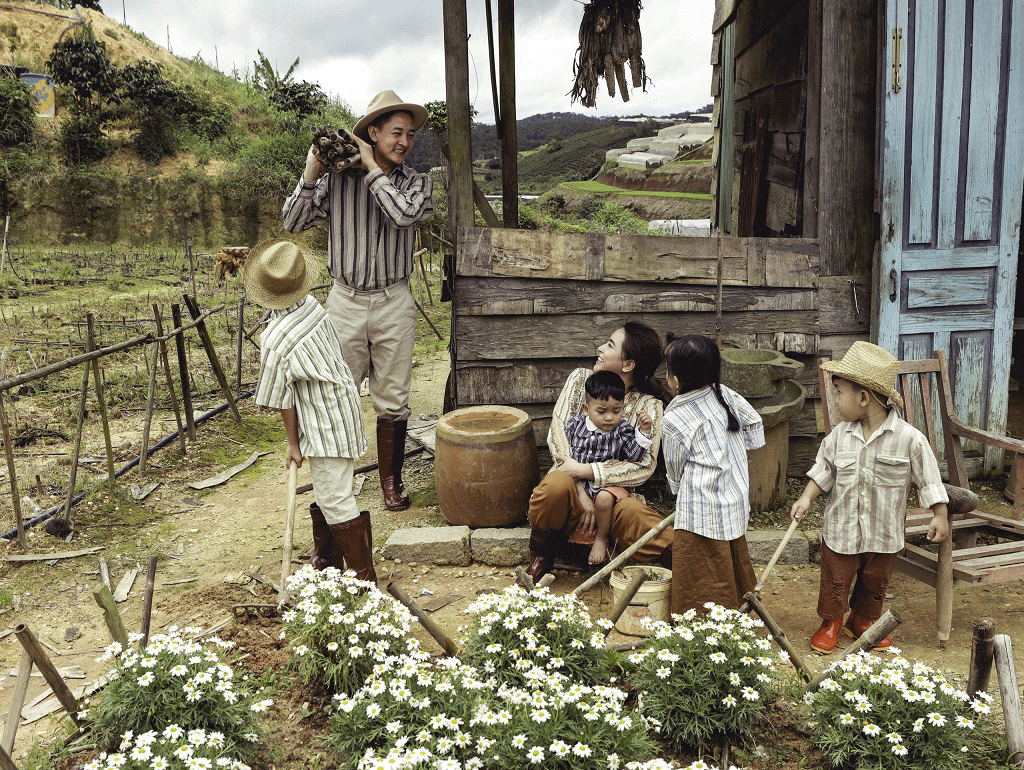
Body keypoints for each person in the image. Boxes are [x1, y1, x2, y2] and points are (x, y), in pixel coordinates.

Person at [282, 89, 433, 512]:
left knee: (394, 396)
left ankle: (390, 482)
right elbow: (293, 221)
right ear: (373, 131)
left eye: (409, 135)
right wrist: (312, 171)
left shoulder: (418, 183)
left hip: (394, 299)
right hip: (345, 300)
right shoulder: (336, 180)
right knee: (338, 394)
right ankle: (339, 486)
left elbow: (402, 215)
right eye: (396, 133)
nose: (404, 141)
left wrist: (369, 165)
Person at [791, 341, 949, 653]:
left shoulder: (909, 440)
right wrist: (807, 497)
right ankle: (832, 621)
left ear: (863, 397)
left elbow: (928, 478)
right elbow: (823, 469)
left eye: (839, 392)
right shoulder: (840, 436)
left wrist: (939, 513)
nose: (836, 401)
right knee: (836, 578)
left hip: (883, 532)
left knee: (875, 581)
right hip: (842, 529)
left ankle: (861, 620)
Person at [246, 239, 375, 583]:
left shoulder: (275, 339)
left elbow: (283, 398)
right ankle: (329, 561)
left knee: (335, 497)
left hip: (325, 421)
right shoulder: (311, 306)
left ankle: (364, 579)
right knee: (328, 488)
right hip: (342, 404)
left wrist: (292, 443)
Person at [524, 321, 673, 583]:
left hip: (610, 503)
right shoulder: (581, 379)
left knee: (637, 516)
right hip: (568, 496)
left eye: (610, 345)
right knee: (556, 486)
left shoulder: (648, 406)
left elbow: (644, 466)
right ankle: (540, 558)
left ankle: (689, 568)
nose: (601, 348)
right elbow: (557, 433)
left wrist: (588, 471)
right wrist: (580, 487)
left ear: (627, 364)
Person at [660, 334, 765, 616]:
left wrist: (676, 489)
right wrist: (738, 454)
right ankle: (738, 607)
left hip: (700, 505)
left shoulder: (674, 417)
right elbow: (754, 423)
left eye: (668, 369)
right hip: (733, 496)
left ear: (676, 379)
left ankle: (704, 617)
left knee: (702, 564)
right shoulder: (723, 392)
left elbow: (674, 464)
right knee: (729, 555)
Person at [563, 370, 654, 564]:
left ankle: (602, 539)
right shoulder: (575, 426)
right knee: (561, 491)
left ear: (623, 407)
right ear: (587, 409)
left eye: (616, 411)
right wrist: (579, 488)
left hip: (607, 483)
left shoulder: (622, 430)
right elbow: (566, 456)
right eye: (601, 412)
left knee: (604, 499)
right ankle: (560, 544)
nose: (609, 418)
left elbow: (634, 455)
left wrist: (644, 432)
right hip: (579, 480)